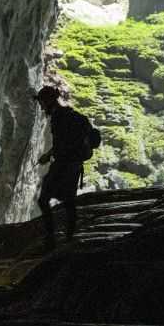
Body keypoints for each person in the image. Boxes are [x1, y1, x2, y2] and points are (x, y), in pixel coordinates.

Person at [34, 85, 99, 251]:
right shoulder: (71, 115)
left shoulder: (58, 118)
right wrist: (49, 155)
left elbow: (61, 143)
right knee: (69, 201)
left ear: (48, 101)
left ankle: (50, 241)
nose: (41, 107)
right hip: (75, 166)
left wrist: (49, 156)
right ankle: (69, 238)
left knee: (43, 200)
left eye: (42, 103)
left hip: (63, 165)